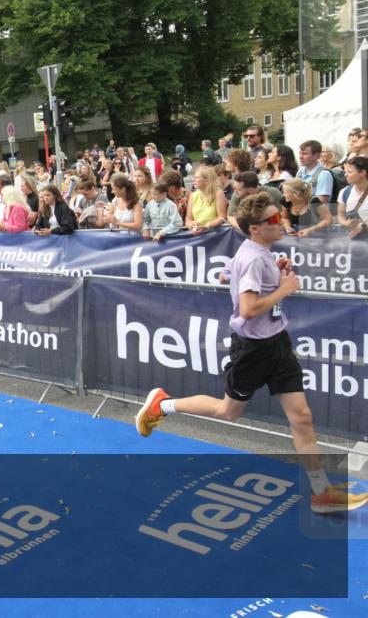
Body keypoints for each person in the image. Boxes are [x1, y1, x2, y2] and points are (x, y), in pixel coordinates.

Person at [135, 192, 368, 514]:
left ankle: (320, 493)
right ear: (256, 228)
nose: (281, 221)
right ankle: (163, 405)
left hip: (278, 344)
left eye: (280, 214)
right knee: (228, 412)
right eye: (273, 219)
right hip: (253, 350)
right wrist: (285, 289)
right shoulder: (254, 256)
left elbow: (226, 274)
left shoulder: (261, 253)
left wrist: (277, 273)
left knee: (301, 417)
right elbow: (246, 309)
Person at [185, 165, 228, 235]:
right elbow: (188, 219)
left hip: (214, 234)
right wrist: (191, 224)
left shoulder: (218, 193)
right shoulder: (193, 195)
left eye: (197, 178)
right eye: (194, 177)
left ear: (207, 181)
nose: (193, 180)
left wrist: (207, 226)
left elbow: (222, 217)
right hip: (196, 234)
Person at [337, 156, 368, 240]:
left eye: (349, 172)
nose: (345, 175)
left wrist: (362, 226)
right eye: (345, 171)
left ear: (362, 173)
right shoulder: (345, 192)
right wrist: (345, 223)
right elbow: (340, 215)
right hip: (354, 239)